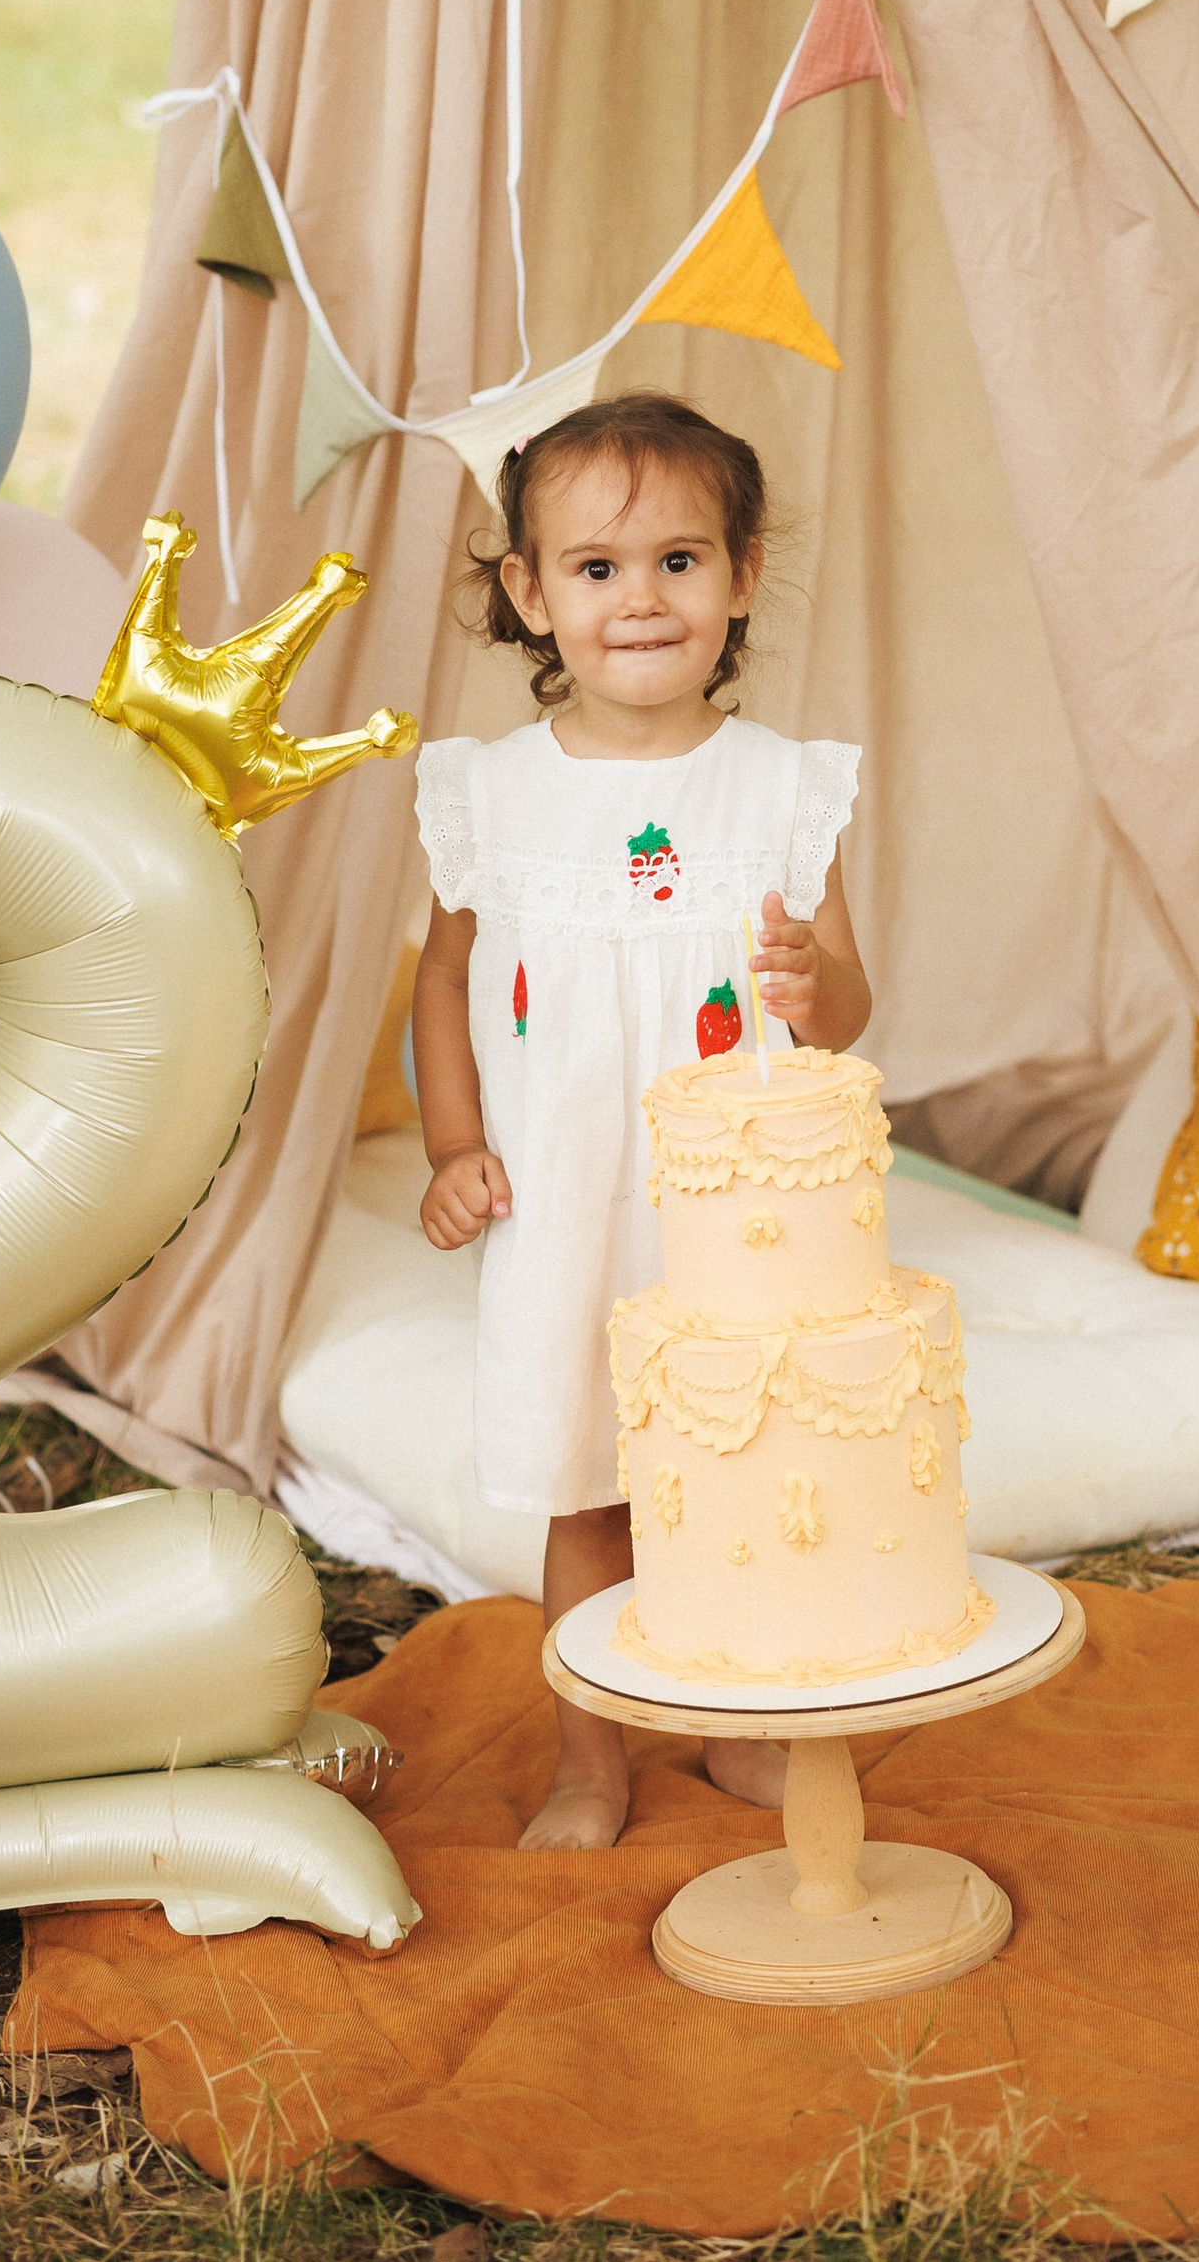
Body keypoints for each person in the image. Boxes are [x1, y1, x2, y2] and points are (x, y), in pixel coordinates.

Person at [411, 390, 869, 1849]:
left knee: (733, 1473)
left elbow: (847, 1006)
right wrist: (450, 1143)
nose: (643, 597)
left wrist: (815, 976)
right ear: (531, 593)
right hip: (565, 1198)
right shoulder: (492, 795)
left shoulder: (780, 788)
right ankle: (592, 1755)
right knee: (591, 1485)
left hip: (733, 1208)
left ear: (740, 576)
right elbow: (443, 980)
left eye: (681, 559)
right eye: (598, 568)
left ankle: (733, 1717)